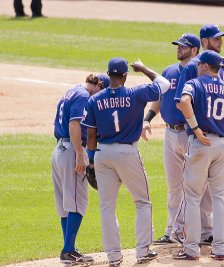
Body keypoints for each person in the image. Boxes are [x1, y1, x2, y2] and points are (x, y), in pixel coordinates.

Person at [80, 57, 171, 265]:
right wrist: (143, 68)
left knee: (107, 207)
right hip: (127, 153)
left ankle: (113, 256)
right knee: (142, 202)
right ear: (125, 75)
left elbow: (91, 134)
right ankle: (142, 251)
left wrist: (92, 161)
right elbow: (164, 84)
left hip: (102, 154)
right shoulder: (135, 93)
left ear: (108, 75)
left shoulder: (95, 100)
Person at [170, 24, 224, 246]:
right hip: (220, 142)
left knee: (193, 194)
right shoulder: (217, 78)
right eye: (216, 38)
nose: (221, 41)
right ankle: (219, 247)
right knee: (217, 196)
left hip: (200, 139)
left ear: (204, 66)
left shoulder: (198, 78)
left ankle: (192, 245)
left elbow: (183, 101)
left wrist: (195, 128)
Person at [141, 33, 201, 245]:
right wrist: (147, 119)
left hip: (188, 133)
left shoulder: (197, 73)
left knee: (189, 185)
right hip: (170, 133)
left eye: (184, 46)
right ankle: (170, 230)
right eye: (178, 45)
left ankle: (185, 230)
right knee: (174, 185)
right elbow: (159, 99)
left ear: (194, 50)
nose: (179, 48)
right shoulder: (169, 70)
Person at [51, 73, 109, 265]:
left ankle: (70, 248)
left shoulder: (71, 91)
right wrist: (79, 154)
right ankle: (68, 251)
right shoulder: (84, 96)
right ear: (98, 85)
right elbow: (74, 124)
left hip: (59, 149)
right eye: (102, 92)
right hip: (71, 150)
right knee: (77, 202)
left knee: (66, 204)